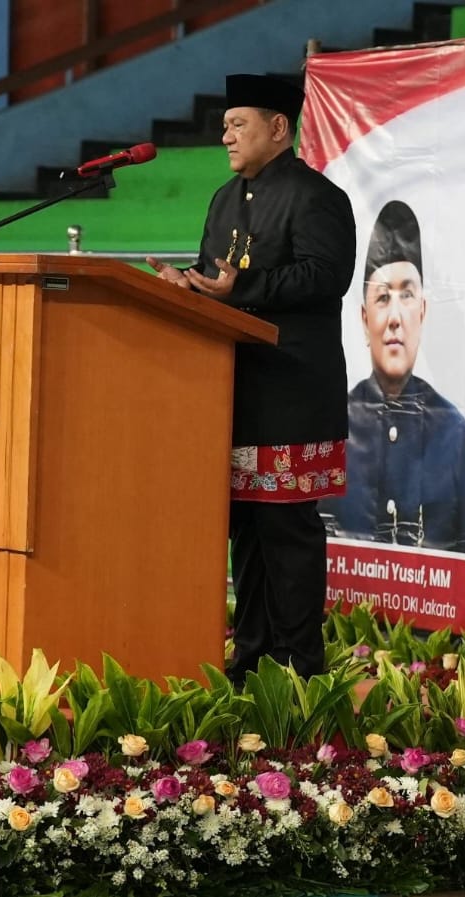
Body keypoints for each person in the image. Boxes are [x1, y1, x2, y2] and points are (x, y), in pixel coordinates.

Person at [146, 73, 356, 679]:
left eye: (238, 124)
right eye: (224, 126)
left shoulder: (316, 196)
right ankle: (252, 656)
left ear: (278, 127)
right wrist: (186, 285)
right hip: (232, 390)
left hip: (291, 392)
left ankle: (299, 666)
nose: (226, 137)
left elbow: (327, 276)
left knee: (286, 530)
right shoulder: (223, 198)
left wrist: (245, 287)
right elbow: (217, 276)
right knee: (246, 531)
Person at [322, 200, 465, 552]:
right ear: (364, 320)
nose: (394, 318)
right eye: (382, 297)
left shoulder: (451, 429)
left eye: (406, 295)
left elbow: (461, 553)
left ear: (423, 312)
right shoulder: (334, 421)